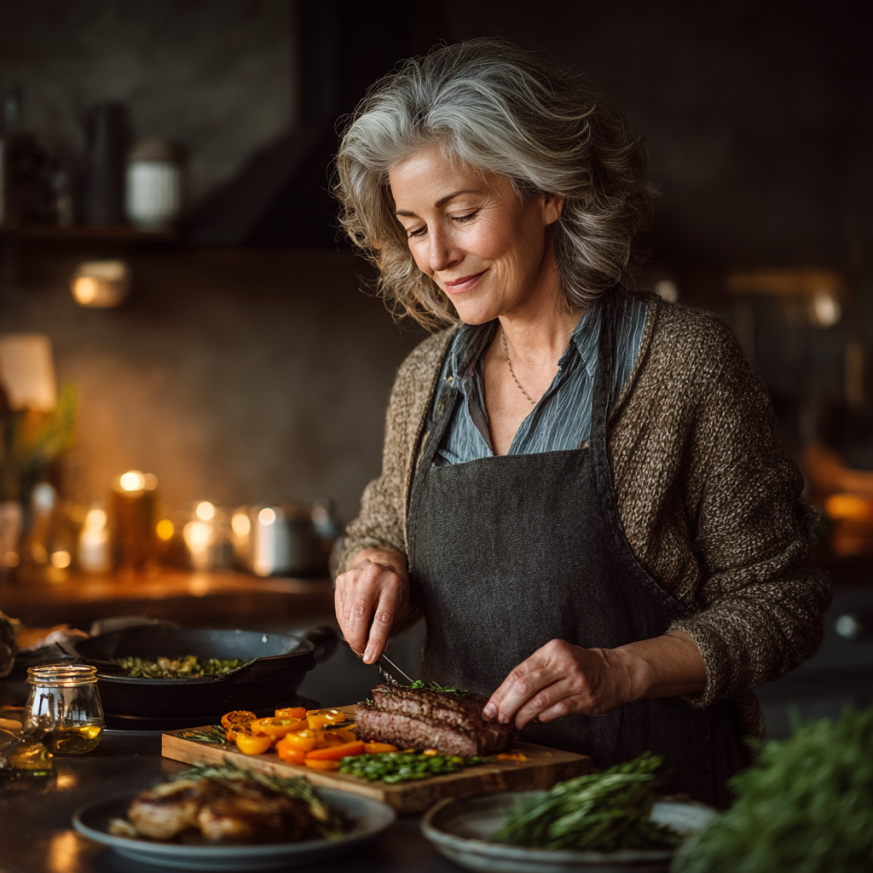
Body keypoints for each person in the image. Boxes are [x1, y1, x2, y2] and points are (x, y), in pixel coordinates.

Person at [331, 39, 831, 807]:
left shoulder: (680, 364)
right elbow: (380, 531)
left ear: (548, 192)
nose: (436, 254)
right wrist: (375, 568)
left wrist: (619, 669)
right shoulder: (424, 381)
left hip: (649, 804)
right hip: (462, 808)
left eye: (462, 213)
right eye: (414, 226)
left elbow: (782, 600)